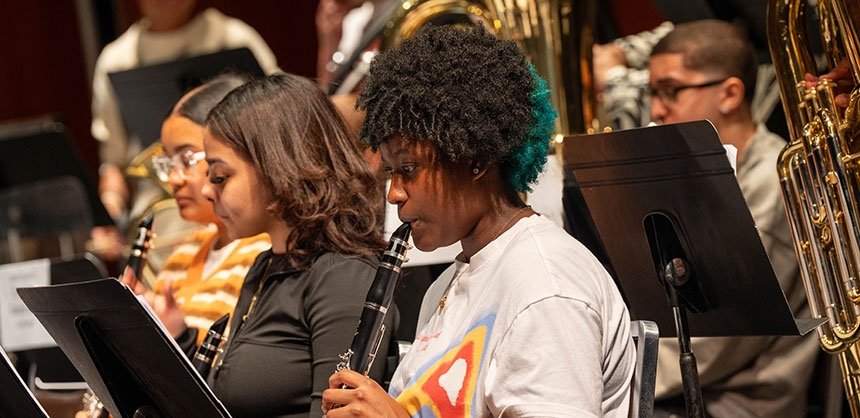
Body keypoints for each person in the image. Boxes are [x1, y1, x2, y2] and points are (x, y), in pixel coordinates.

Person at [321, 26, 635, 417]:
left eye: (408, 169)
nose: (394, 193)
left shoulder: (546, 286)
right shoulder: (447, 286)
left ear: (476, 160)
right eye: (390, 172)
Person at [646, 20, 819, 418]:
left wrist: (618, 373)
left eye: (671, 91)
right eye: (652, 92)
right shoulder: (690, 169)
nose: (656, 109)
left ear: (730, 93)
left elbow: (725, 335)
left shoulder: (774, 179)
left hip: (740, 400)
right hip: (684, 388)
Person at [194, 73, 390, 418]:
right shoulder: (265, 265)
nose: (208, 190)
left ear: (277, 167)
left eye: (220, 176)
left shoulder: (343, 275)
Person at [93, 0, 279, 226]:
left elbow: (277, 119)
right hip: (158, 206)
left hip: (233, 195)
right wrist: (110, 209)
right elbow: (114, 159)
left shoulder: (232, 36)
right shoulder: (117, 58)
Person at [139, 74, 270, 344]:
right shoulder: (184, 253)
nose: (174, 178)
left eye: (187, 159)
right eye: (167, 163)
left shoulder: (263, 252)